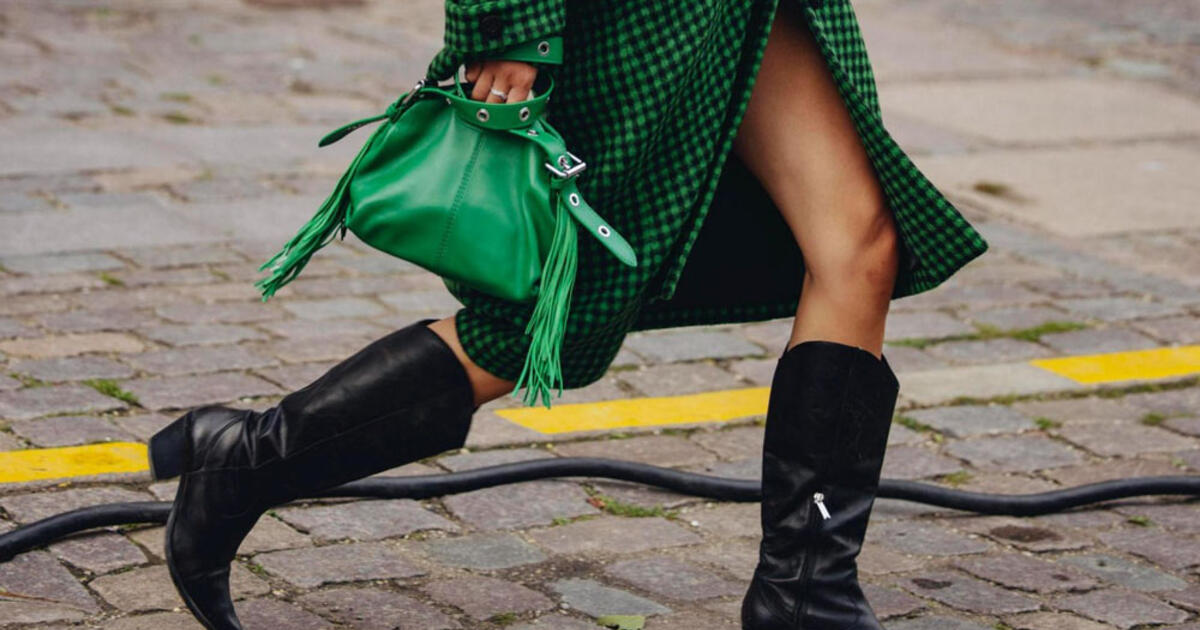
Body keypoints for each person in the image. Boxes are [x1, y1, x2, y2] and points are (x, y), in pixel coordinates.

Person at [145, 0, 988, 628]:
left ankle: (807, 599)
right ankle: (247, 460)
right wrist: (513, 21)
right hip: (640, 20)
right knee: (549, 314)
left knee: (858, 248)